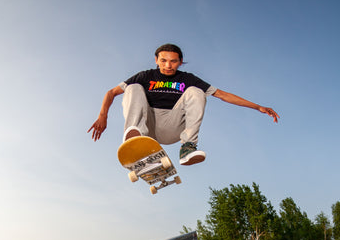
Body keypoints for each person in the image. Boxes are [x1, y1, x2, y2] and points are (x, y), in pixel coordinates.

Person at [88, 43, 279, 166]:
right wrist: (102, 115)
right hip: (147, 124)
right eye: (163, 61)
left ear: (180, 62)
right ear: (156, 60)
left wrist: (258, 107)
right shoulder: (145, 75)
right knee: (133, 88)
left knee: (197, 92)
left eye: (173, 62)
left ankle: (188, 147)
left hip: (172, 126)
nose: (168, 65)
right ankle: (134, 136)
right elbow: (111, 92)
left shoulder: (187, 78)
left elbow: (222, 94)